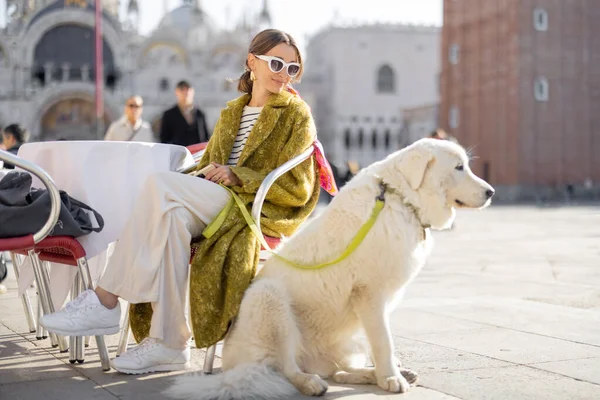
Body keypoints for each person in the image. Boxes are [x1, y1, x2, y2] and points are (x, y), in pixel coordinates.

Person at [40, 29, 324, 375]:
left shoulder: (296, 113)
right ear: (252, 62)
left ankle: (105, 299)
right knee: (171, 217)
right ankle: (170, 344)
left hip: (254, 206)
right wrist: (213, 174)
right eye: (277, 63)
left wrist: (239, 176)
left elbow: (298, 186)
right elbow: (208, 165)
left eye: (293, 68)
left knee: (159, 186)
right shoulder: (232, 111)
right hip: (215, 199)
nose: (284, 73)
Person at [159, 81, 210, 146]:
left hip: (197, 154)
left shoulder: (200, 114)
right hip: (178, 154)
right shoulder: (168, 115)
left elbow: (206, 138)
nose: (185, 92)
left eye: (188, 89)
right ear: (176, 92)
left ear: (192, 92)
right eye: (182, 89)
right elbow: (164, 140)